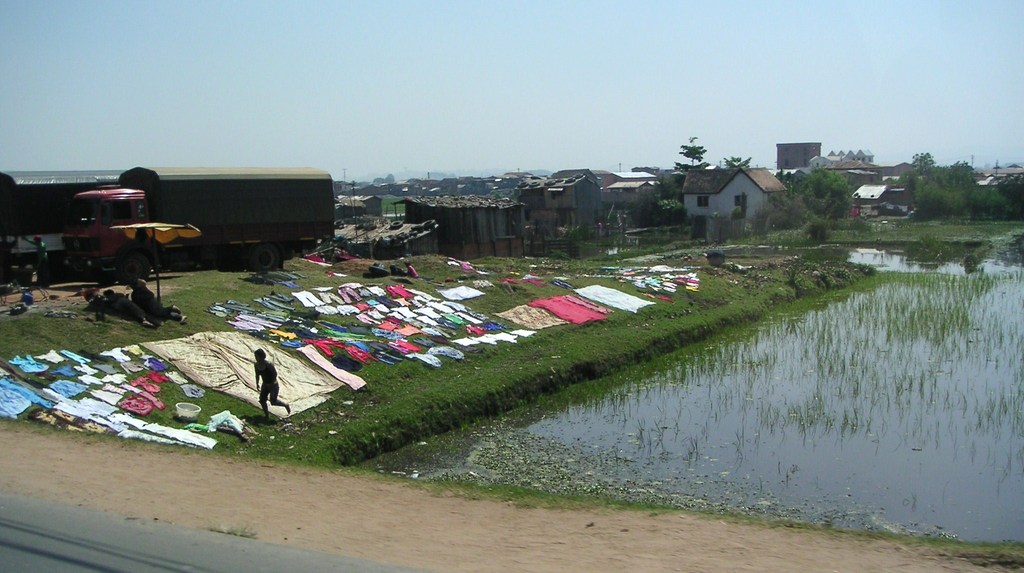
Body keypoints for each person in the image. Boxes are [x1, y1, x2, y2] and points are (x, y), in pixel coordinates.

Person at [82, 287, 158, 328]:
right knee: (134, 309)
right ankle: (144, 319)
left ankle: (145, 319)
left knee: (130, 311)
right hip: (118, 302)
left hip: (115, 305)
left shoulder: (95, 300)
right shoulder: (98, 298)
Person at [254, 348, 291, 420]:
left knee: (273, 401)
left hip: (273, 385)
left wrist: (271, 383)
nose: (256, 358)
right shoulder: (256, 365)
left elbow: (274, 374)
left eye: (257, 356)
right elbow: (257, 374)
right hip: (265, 384)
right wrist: (257, 383)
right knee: (262, 400)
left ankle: (286, 405)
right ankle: (266, 416)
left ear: (261, 356)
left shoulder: (268, 364)